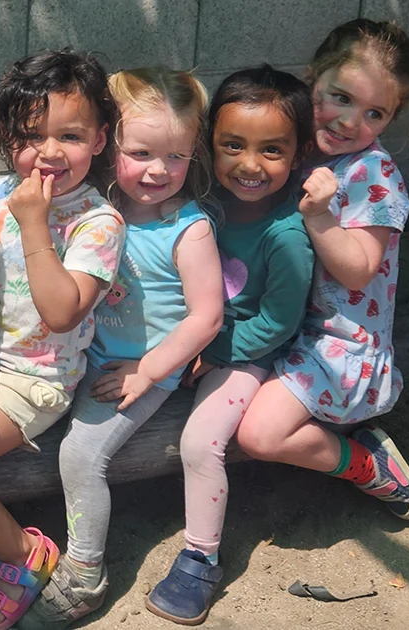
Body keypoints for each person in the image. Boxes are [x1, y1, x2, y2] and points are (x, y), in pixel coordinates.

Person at [21, 65, 223, 629]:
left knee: (80, 456)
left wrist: (149, 369)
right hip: (80, 355)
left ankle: (85, 574)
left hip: (137, 370)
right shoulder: (93, 206)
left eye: (177, 156)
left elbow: (207, 316)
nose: (159, 170)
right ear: (108, 143)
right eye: (141, 153)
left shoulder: (188, 228)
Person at [0, 48, 126, 629]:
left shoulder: (99, 222)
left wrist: (35, 224)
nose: (48, 152)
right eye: (29, 136)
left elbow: (62, 312)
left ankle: (24, 554)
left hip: (35, 379)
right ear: (6, 138)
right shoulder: (0, 191)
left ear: (99, 139)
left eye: (69, 135)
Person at [146, 65, 318, 626]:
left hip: (243, 351)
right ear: (209, 144)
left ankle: (200, 561)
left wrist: (213, 352)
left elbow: (277, 323)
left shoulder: (286, 236)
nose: (249, 164)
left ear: (299, 154)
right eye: (233, 145)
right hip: (184, 335)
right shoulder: (202, 201)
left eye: (272, 150)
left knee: (200, 443)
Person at [235, 19, 409, 523]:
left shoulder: (372, 173)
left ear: (393, 117)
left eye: (374, 113)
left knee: (259, 434)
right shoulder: (295, 145)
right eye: (340, 97)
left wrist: (319, 216)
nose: (348, 121)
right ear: (312, 76)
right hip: (281, 319)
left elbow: (359, 271)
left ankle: (366, 465)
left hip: (337, 344)